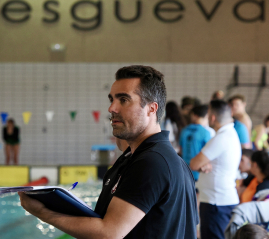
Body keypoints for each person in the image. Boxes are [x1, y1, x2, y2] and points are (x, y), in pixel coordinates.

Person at [19, 65, 198, 239]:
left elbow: (108, 233)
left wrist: (42, 212)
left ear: (152, 108)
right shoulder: (155, 159)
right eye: (111, 99)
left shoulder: (152, 162)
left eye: (123, 100)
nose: (112, 108)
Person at [190, 100, 242, 239]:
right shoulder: (229, 134)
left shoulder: (221, 138)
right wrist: (204, 164)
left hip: (217, 203)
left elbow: (194, 164)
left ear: (212, 117)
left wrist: (201, 164)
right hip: (218, 201)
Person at [180, 104, 212, 181]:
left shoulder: (184, 131)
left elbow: (181, 149)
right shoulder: (206, 132)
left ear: (194, 115)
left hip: (184, 171)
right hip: (199, 172)